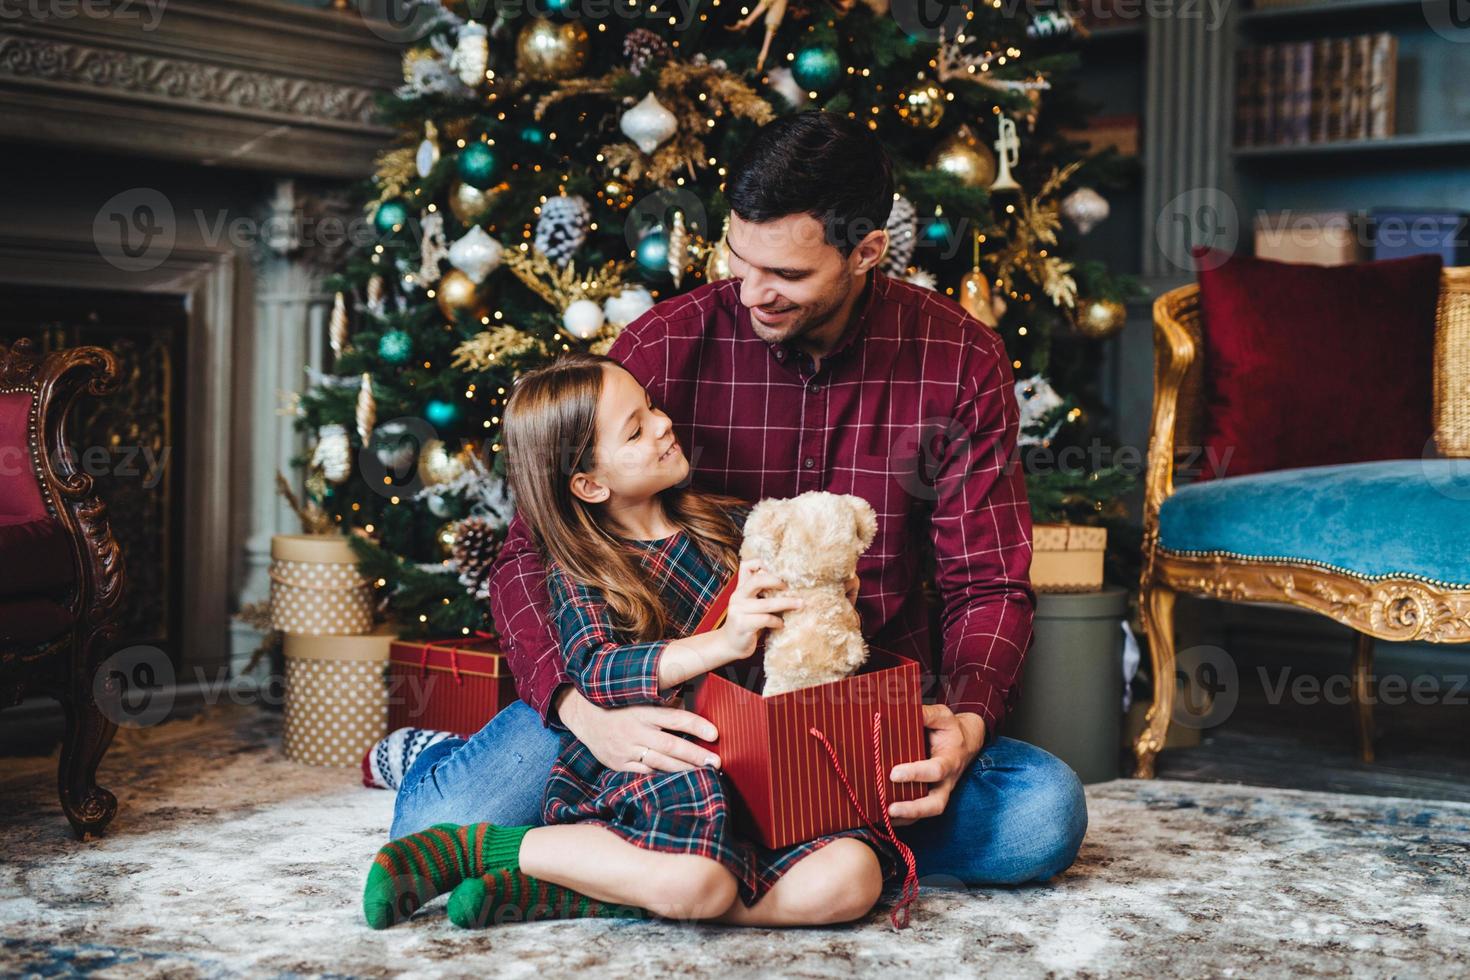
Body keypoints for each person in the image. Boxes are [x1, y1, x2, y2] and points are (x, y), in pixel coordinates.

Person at [386, 110, 1087, 892]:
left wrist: (966, 721)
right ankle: (697, 829)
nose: (752, 292)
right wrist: (582, 711)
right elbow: (528, 554)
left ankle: (672, 847)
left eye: (786, 276)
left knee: (1039, 820)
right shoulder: (661, 345)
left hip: (842, 705)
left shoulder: (960, 359)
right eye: (738, 258)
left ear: (866, 252)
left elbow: (987, 582)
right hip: (653, 697)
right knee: (430, 830)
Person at [363, 354, 901, 929]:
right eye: (636, 430)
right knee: (697, 881)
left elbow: (788, 620)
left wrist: (822, 588)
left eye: (653, 408)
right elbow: (595, 667)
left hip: (752, 771)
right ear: (590, 484)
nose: (664, 424)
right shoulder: (583, 571)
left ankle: (587, 891)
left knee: (853, 879)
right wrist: (722, 642)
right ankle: (479, 849)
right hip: (655, 778)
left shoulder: (727, 526)